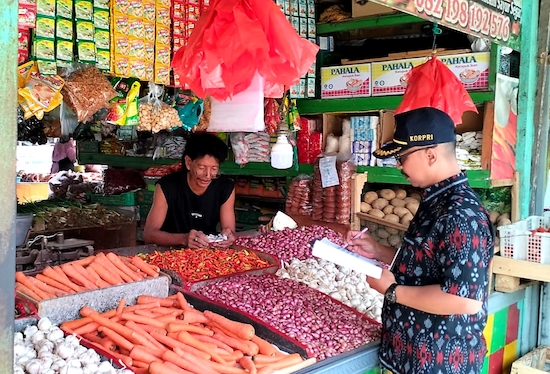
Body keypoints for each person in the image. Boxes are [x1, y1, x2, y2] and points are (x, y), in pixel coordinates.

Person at [346, 107, 494, 374]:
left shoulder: (460, 214)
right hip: (411, 357)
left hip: (440, 363)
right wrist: (379, 251)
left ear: (430, 154)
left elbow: (464, 300)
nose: (399, 166)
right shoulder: (435, 201)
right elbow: (427, 264)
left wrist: (392, 291)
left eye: (402, 158)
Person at [144, 132, 236, 248]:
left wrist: (228, 237)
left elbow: (229, 231)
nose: (208, 175)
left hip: (207, 255)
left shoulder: (225, 187)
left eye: (214, 169)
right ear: (188, 163)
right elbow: (149, 234)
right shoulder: (167, 186)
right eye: (202, 168)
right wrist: (183, 238)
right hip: (169, 253)